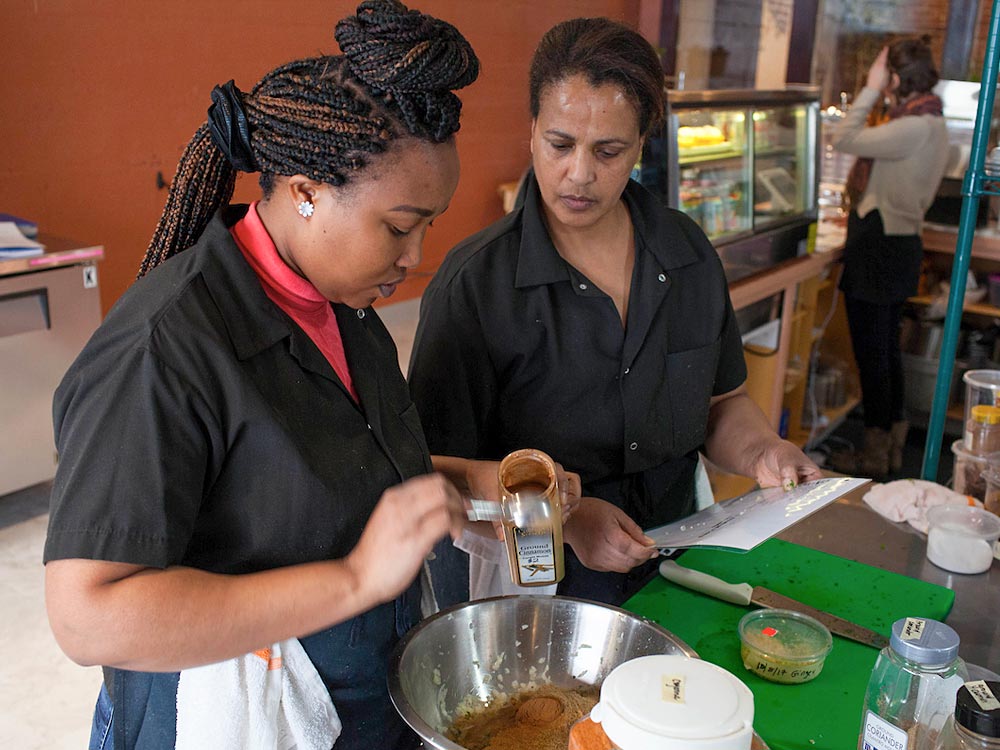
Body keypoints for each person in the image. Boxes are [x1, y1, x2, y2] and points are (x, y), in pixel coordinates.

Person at [43, 2, 483, 748]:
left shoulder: (341, 303)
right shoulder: (163, 351)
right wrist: (354, 582)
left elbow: (301, 480)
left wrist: (467, 482)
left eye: (429, 227)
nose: (413, 258)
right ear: (307, 190)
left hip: (361, 706)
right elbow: (88, 614)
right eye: (400, 227)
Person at [407, 17, 822, 608]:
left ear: (641, 145)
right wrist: (566, 520)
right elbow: (432, 472)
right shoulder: (477, 283)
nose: (579, 173)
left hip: (675, 558)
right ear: (531, 132)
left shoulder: (686, 255)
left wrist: (763, 452)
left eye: (608, 151)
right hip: (532, 584)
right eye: (560, 145)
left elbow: (722, 402)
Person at [831, 36, 948, 478]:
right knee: (886, 352)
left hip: (879, 247)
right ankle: (891, 448)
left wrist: (868, 88)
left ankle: (875, 456)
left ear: (895, 78)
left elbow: (845, 137)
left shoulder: (912, 127)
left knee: (873, 355)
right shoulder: (928, 120)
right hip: (897, 245)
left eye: (884, 74)